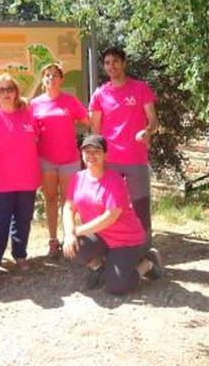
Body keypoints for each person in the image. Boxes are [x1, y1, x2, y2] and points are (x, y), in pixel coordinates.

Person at [63, 135, 162, 295]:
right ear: (81, 154)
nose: (91, 155)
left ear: (106, 155)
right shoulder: (77, 178)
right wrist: (69, 234)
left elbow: (110, 217)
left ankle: (147, 264)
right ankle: (99, 268)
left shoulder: (115, 181)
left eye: (97, 151)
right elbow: (68, 207)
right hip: (100, 236)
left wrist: (77, 231)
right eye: (87, 151)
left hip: (125, 239)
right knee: (71, 246)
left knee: (117, 287)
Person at [89, 47, 159, 245]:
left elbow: (153, 119)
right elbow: (95, 129)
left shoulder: (140, 88)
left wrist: (147, 131)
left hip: (135, 158)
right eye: (108, 63)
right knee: (109, 207)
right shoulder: (100, 93)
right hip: (110, 161)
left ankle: (144, 250)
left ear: (124, 63)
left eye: (115, 62)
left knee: (140, 206)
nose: (112, 66)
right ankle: (111, 248)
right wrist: (95, 157)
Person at [0, 74, 41, 279]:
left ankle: (20, 255)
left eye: (9, 89)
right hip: (2, 178)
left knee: (23, 219)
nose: (6, 93)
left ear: (16, 92)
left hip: (27, 177)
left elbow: (36, 139)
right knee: (0, 220)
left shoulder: (28, 114)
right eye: (1, 90)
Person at [30, 63, 90, 258]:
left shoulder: (70, 101)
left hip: (68, 159)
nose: (51, 78)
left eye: (55, 75)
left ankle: (68, 239)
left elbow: (87, 119)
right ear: (43, 79)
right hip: (45, 159)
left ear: (61, 79)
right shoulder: (35, 104)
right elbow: (31, 130)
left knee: (68, 201)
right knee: (50, 199)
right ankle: (53, 240)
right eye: (47, 75)